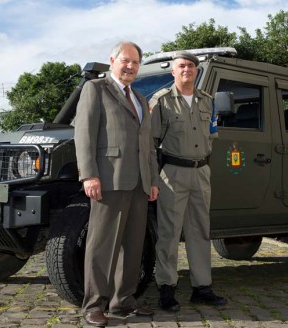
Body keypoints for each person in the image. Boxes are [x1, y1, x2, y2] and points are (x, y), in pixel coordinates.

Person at [74, 41, 159, 327]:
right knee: (102, 246)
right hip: (109, 180)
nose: (131, 66)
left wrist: (153, 179)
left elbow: (147, 145)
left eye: (136, 62)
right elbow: (84, 134)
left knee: (133, 247)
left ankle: (123, 302)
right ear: (113, 60)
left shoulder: (139, 98)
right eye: (126, 60)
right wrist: (89, 174)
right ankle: (94, 304)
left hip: (139, 183)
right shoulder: (96, 89)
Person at [150, 51, 227, 312]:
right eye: (182, 66)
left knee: (199, 231)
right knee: (169, 233)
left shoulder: (207, 101)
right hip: (172, 172)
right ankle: (166, 288)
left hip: (201, 172)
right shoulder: (161, 101)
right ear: (173, 72)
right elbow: (151, 143)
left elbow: (211, 135)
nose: (187, 69)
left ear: (197, 71)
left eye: (192, 66)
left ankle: (202, 287)